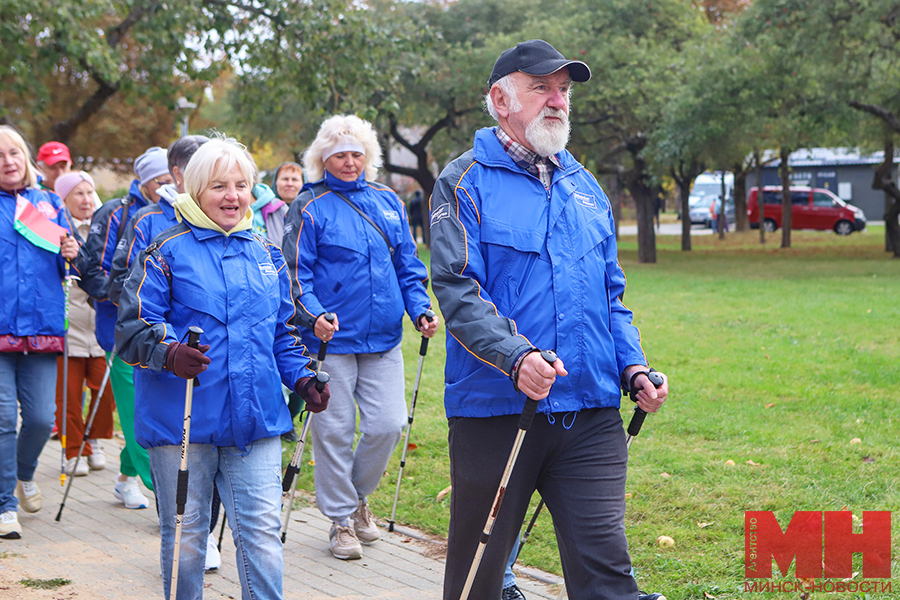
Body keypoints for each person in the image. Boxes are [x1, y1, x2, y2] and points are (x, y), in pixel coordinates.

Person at [428, 40, 669, 600]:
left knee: (608, 575)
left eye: (564, 89)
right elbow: (459, 289)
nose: (558, 100)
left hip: (590, 411)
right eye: (541, 87)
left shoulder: (586, 188)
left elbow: (611, 296)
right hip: (498, 411)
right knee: (478, 580)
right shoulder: (464, 181)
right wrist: (516, 358)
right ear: (501, 98)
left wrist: (634, 368)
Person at [116, 136, 328, 600]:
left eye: (241, 185)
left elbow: (281, 333)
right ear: (193, 190)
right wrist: (168, 352)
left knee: (263, 537)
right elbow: (131, 329)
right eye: (218, 186)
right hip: (183, 422)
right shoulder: (162, 250)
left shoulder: (266, 254)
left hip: (256, 420)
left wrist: (303, 376)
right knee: (188, 537)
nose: (232, 196)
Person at [283, 115, 439, 560]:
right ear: (323, 159)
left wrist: (420, 308)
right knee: (334, 431)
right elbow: (296, 274)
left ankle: (357, 499)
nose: (349, 162)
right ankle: (340, 521)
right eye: (339, 156)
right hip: (330, 340)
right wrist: (311, 316)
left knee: (389, 424)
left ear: (367, 157)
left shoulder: (387, 201)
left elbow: (408, 266)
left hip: (385, 336)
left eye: (356, 154)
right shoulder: (309, 206)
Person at [77, 146, 173, 509]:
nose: (168, 187)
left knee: (151, 407)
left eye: (171, 180)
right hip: (120, 329)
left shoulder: (177, 212)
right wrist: (126, 299)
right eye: (161, 181)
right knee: (136, 409)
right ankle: (163, 492)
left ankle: (125, 478)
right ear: (145, 183)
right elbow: (93, 270)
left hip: (161, 330)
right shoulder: (116, 211)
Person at [0, 125, 80, 539]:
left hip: (43, 330)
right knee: (2, 418)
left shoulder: (48, 204)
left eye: (14, 153)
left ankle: (23, 474)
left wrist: (71, 253)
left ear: (26, 159)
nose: (8, 162)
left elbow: (70, 264)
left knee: (39, 419)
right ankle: (4, 504)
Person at [53, 171, 116, 477]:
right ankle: (73, 448)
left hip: (100, 327)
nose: (86, 200)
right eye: (78, 194)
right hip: (68, 326)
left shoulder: (107, 228)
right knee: (68, 395)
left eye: (89, 193)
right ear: (63, 199)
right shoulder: (55, 231)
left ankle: (95, 438)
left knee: (105, 392)